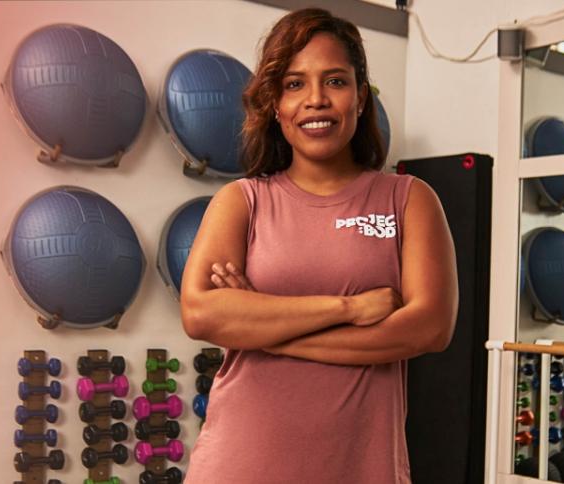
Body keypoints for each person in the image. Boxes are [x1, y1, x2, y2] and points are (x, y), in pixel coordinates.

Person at [179, 8, 459, 484]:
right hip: (239, 463)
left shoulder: (409, 200)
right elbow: (201, 315)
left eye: (335, 81)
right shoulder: (240, 202)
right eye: (294, 84)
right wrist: (349, 307)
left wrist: (261, 321)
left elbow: (429, 328)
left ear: (361, 96)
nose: (315, 100)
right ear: (273, 103)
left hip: (361, 468)